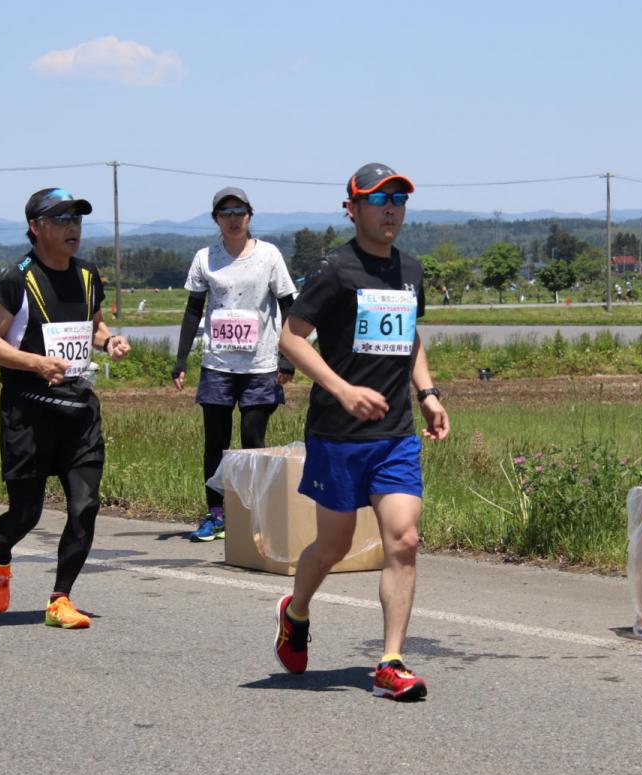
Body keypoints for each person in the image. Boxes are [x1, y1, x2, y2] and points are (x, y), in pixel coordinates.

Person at [274, 162, 450, 701]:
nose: (391, 208)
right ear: (352, 209)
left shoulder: (410, 270)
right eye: (379, 199)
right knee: (334, 544)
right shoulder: (335, 270)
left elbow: (410, 337)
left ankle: (391, 661)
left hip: (395, 433)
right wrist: (342, 388)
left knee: (405, 539)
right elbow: (291, 337)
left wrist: (428, 393)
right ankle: (296, 611)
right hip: (338, 434)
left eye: (399, 198)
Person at [0, 187, 130, 630]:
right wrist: (36, 363)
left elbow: (93, 327)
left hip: (79, 411)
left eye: (77, 220)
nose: (72, 228)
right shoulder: (16, 278)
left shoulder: (86, 274)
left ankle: (60, 599)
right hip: (29, 413)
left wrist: (110, 340)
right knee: (27, 513)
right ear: (35, 227)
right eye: (61, 220)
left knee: (86, 505)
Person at [172, 187, 297, 541]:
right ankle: (216, 514)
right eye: (225, 213)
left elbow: (289, 305)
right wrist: (181, 360)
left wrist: (288, 358)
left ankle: (254, 514)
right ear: (216, 219)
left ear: (250, 215)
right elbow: (193, 308)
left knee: (253, 441)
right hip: (217, 365)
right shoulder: (205, 258)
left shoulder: (269, 256)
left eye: (239, 211)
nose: (233, 218)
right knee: (216, 443)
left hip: (261, 364)